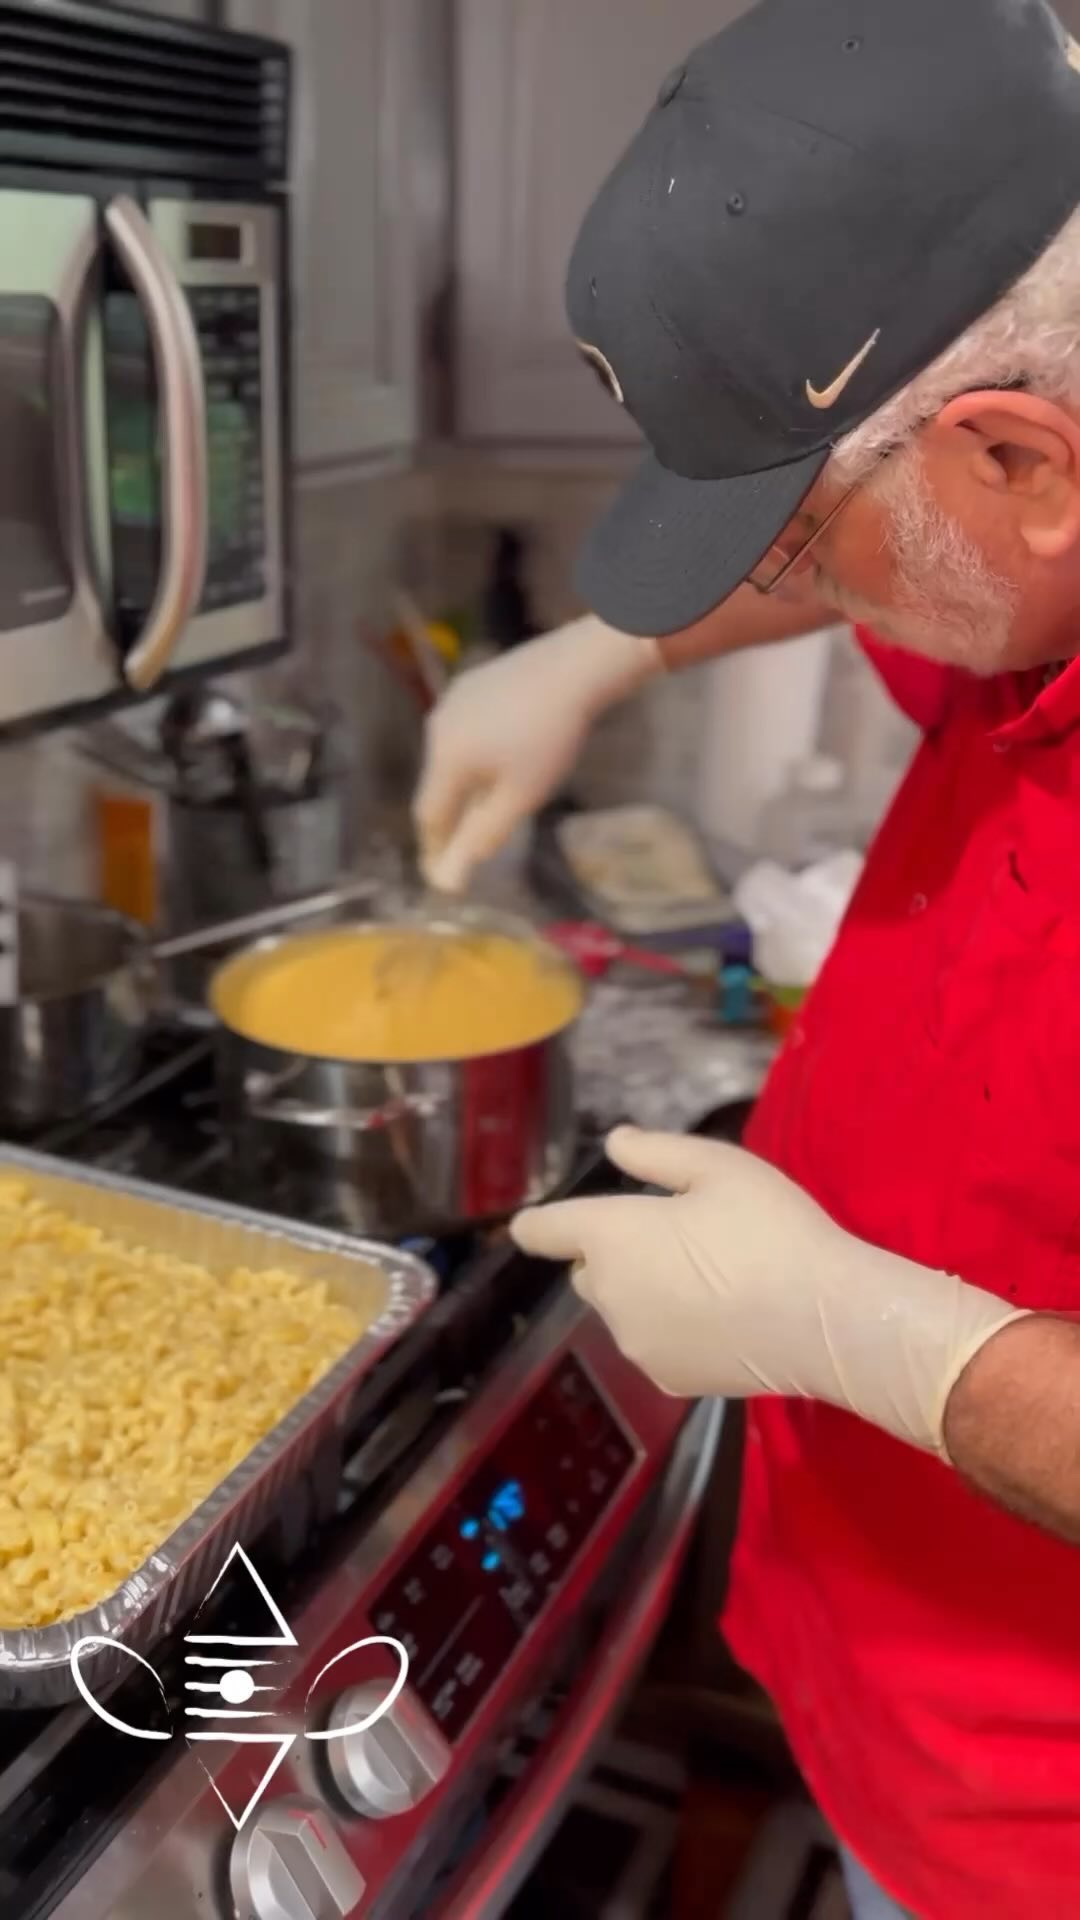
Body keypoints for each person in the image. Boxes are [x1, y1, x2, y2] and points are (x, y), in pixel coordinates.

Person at [413, 4, 1080, 1916]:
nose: (784, 577)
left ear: (1021, 462)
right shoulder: (1034, 582)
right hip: (873, 1677)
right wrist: (604, 649)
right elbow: (919, 554)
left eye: (800, 530)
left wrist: (865, 1334)